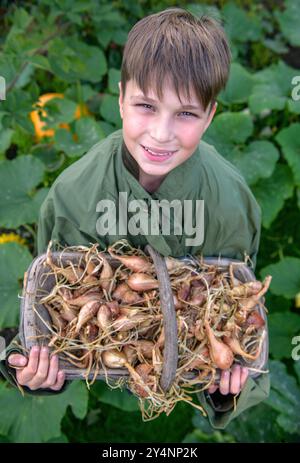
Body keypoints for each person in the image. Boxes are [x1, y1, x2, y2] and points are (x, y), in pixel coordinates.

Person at [0, 7, 269, 429]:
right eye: (146, 106)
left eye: (185, 114)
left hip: (183, 368)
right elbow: (53, 305)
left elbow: (236, 301)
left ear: (211, 115)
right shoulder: (75, 195)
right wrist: (41, 374)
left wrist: (227, 387)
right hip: (101, 356)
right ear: (121, 98)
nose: (161, 133)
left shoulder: (230, 202)